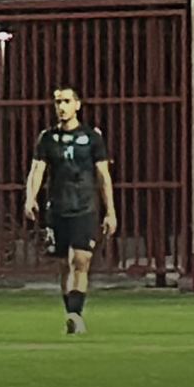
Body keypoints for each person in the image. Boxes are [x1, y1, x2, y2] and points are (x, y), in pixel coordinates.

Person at [23, 87, 116, 335]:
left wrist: (110, 211)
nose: (61, 107)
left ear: (77, 105)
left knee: (81, 260)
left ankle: (76, 314)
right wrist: (30, 198)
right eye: (57, 102)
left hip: (84, 207)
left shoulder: (92, 138)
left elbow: (103, 175)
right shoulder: (47, 138)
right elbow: (37, 169)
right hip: (58, 208)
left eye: (66, 101)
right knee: (64, 264)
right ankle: (70, 313)